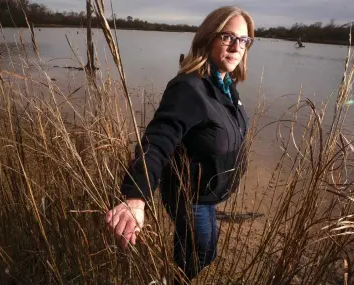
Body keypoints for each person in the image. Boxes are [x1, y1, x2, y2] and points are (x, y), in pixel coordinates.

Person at [106, 6, 255, 284]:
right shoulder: (189, 88)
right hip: (190, 196)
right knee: (197, 254)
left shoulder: (225, 85)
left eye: (244, 40)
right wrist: (136, 199)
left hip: (209, 194)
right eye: (227, 37)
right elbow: (157, 141)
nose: (237, 46)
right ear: (208, 38)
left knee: (205, 253)